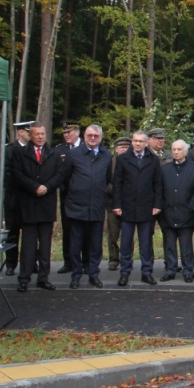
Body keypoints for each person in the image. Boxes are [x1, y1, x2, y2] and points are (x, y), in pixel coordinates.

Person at [13, 122, 66, 292]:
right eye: (37, 134)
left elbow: (60, 175)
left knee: (45, 244)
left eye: (43, 134)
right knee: (28, 244)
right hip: (28, 203)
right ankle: (24, 278)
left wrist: (47, 187)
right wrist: (34, 187)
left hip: (46, 203)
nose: (41, 137)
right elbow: (17, 175)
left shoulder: (54, 153)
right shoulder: (20, 153)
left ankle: (43, 277)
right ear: (30, 135)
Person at [62, 124, 112, 289]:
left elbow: (107, 179)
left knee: (95, 245)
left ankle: (93, 275)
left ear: (101, 138)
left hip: (97, 207)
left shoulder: (106, 155)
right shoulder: (74, 154)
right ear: (84, 136)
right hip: (77, 207)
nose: (92, 138)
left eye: (96, 136)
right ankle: (76, 276)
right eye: (90, 135)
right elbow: (66, 179)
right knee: (75, 245)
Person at [112, 130, 163, 286]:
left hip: (147, 207)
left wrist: (157, 204)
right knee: (126, 243)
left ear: (147, 143)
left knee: (145, 243)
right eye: (135, 141)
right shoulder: (122, 159)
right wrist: (117, 205)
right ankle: (125, 272)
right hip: (127, 207)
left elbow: (158, 184)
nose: (138, 143)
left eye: (141, 141)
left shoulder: (153, 160)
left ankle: (146, 272)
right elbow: (117, 184)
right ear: (132, 142)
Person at [158, 139, 194, 282]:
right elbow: (160, 190)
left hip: (187, 212)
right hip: (168, 212)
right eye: (174, 150)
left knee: (186, 245)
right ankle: (170, 269)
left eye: (179, 149)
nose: (176, 152)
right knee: (170, 244)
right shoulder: (164, 169)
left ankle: (188, 270)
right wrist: (163, 207)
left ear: (186, 151)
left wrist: (192, 206)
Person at [0, 120, 32, 275]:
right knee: (12, 231)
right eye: (28, 132)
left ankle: (31, 263)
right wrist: (24, 181)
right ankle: (11, 264)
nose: (31, 135)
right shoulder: (9, 150)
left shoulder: (34, 149)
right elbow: (7, 172)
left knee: (30, 232)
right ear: (20, 132)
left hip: (30, 197)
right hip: (14, 197)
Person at [55, 120, 81, 275]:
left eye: (69, 132)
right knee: (68, 229)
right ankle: (68, 261)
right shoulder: (59, 150)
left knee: (85, 231)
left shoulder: (86, 147)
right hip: (67, 195)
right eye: (64, 133)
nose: (66, 135)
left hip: (83, 195)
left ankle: (84, 262)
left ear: (77, 132)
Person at [106, 136, 130, 271]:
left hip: (128, 204)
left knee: (128, 234)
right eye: (122, 147)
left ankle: (127, 257)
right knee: (113, 234)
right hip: (112, 203)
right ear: (116, 149)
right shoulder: (110, 163)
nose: (124, 149)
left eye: (127, 147)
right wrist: (117, 192)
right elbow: (105, 182)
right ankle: (114, 259)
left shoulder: (132, 161)